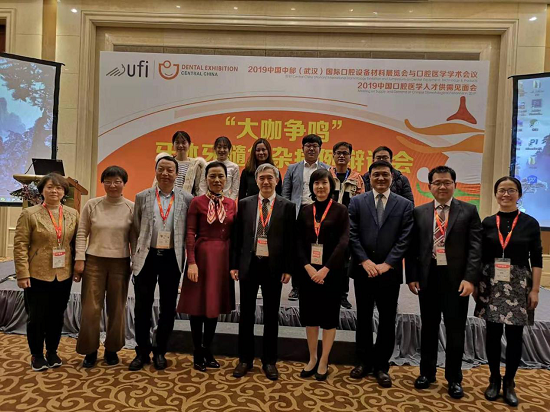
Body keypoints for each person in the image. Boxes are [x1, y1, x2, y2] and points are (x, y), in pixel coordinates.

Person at [405, 165, 482, 399]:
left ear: (454, 185)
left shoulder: (469, 211)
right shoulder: (420, 212)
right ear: (430, 186)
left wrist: (470, 279)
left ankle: (454, 379)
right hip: (428, 279)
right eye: (437, 183)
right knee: (428, 328)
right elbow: (412, 248)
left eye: (447, 182)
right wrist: (412, 276)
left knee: (455, 330)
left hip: (457, 281)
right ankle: (426, 373)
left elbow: (475, 249)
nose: (442, 186)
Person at [474, 176, 542, 407]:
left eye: (511, 190)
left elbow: (537, 259)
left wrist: (535, 290)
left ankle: (510, 382)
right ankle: (494, 379)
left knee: (514, 336)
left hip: (519, 284)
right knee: (492, 334)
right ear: (496, 194)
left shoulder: (530, 223)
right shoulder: (487, 223)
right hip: (491, 282)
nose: (506, 194)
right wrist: (476, 284)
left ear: (519, 194)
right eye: (501, 190)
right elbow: (479, 256)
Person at [348, 161, 413, 387]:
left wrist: (388, 263)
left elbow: (405, 237)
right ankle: (363, 361)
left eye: (385, 174)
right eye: (376, 175)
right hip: (363, 270)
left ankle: (381, 366)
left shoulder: (404, 205)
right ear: (369, 177)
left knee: (387, 319)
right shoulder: (357, 202)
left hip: (389, 272)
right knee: (363, 317)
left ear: (392, 177)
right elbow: (352, 234)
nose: (381, 178)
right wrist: (364, 260)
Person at [231, 163, 296, 381]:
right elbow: (237, 237)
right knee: (246, 315)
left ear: (277, 180)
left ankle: (269, 361)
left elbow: (290, 240)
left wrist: (288, 268)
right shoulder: (245, 203)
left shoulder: (288, 206)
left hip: (274, 267)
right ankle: (245, 359)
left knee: (271, 315)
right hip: (249, 265)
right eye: (262, 178)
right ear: (257, 181)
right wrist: (234, 265)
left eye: (270, 178)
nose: (266, 182)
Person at [129, 155, 193, 371]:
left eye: (170, 170)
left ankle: (160, 351)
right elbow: (135, 229)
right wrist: (136, 254)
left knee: (168, 307)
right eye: (161, 169)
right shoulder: (142, 197)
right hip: (147, 257)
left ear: (177, 174)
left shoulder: (187, 198)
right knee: (142, 307)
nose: (165, 174)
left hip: (172, 258)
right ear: (155, 171)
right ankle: (142, 351)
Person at [13, 173, 79, 371]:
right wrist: (22, 273)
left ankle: (52, 351)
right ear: (42, 190)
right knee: (36, 317)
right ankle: (36, 354)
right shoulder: (29, 214)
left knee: (56, 315)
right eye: (50, 187)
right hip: (37, 273)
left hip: (63, 273)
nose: (54, 191)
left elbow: (77, 243)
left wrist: (78, 267)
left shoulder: (73, 214)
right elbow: (20, 245)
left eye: (58, 188)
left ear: (64, 192)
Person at [177, 161, 236, 371]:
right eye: (212, 176)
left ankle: (208, 350)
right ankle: (197, 352)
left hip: (222, 259)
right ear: (206, 179)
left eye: (221, 176)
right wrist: (191, 262)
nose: (217, 180)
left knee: (214, 306)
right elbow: (190, 233)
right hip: (201, 257)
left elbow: (235, 235)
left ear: (226, 179)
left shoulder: (231, 203)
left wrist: (234, 264)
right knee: (198, 306)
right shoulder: (197, 202)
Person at [74, 166, 135, 368]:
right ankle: (90, 350)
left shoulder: (131, 207)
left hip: (120, 263)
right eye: (108, 181)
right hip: (94, 262)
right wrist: (79, 259)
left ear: (124, 183)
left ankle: (112, 349)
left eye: (117, 181)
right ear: (103, 183)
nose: (112, 185)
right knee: (90, 308)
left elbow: (134, 238)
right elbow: (81, 233)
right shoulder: (92, 205)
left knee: (117, 308)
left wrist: (135, 262)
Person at [295, 169, 349, 381]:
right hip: (308, 274)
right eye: (316, 183)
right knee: (310, 318)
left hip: (331, 274)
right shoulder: (305, 210)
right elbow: (297, 242)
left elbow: (344, 242)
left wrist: (326, 269)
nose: (320, 187)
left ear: (331, 185)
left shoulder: (340, 210)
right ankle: (312, 358)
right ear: (312, 186)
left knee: (328, 318)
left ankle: (324, 359)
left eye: (324, 183)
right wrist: (308, 267)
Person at [282, 134, 330, 301]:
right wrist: (287, 214)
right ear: (302, 148)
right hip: (299, 212)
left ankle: (317, 280)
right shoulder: (292, 168)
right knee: (298, 249)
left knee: (318, 247)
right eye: (308, 145)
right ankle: (296, 287)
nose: (311, 149)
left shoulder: (327, 168)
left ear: (320, 149)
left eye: (314, 146)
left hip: (319, 212)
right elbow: (286, 193)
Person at [329, 141, 365, 309]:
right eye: (338, 153)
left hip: (348, 226)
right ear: (333, 155)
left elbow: (361, 202)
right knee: (327, 258)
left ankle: (342, 295)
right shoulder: (327, 175)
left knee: (344, 262)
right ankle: (327, 291)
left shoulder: (357, 178)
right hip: (329, 225)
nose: (342, 156)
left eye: (345, 153)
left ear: (350, 156)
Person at [171, 130, 206, 195]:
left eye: (183, 143)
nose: (180, 145)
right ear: (173, 144)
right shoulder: (168, 162)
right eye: (177, 143)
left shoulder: (196, 164)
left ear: (189, 144)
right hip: (170, 199)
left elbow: (198, 188)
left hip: (188, 199)